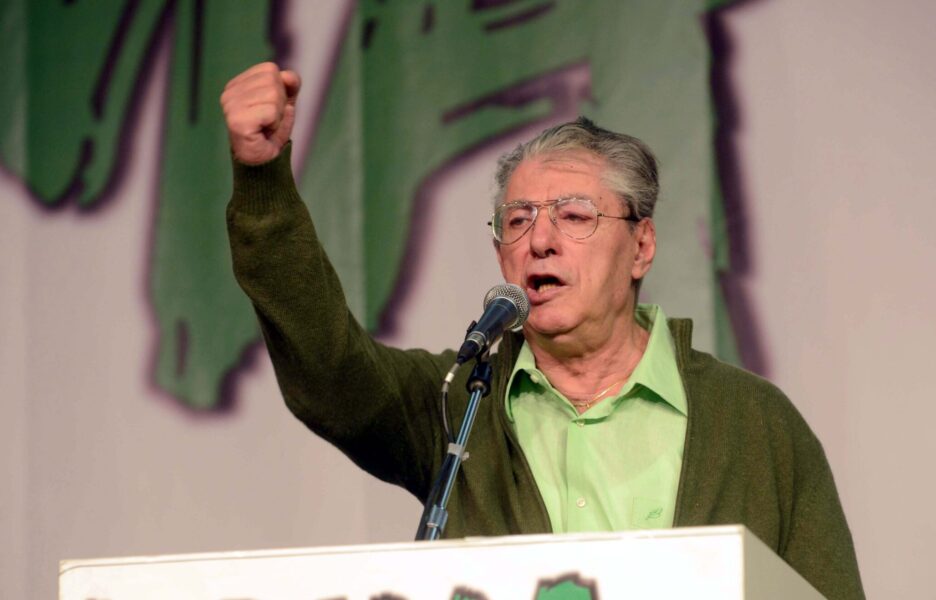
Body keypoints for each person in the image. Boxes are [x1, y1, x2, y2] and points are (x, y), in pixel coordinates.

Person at [222, 62, 864, 599]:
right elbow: (329, 372)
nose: (541, 241)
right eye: (518, 219)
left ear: (641, 246)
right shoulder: (459, 404)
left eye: (575, 215)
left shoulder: (756, 425)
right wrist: (262, 179)